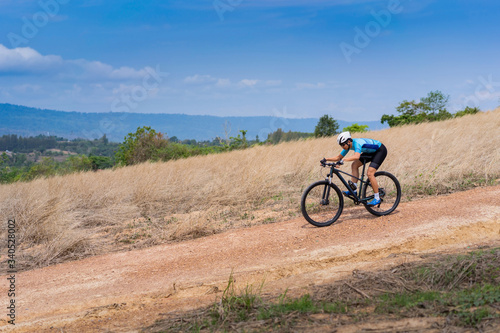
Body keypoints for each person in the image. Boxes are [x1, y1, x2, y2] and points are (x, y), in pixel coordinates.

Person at [321, 131, 387, 206]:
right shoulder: (348, 145)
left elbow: (356, 156)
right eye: (341, 145)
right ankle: (354, 190)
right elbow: (338, 157)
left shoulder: (357, 143)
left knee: (370, 173)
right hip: (370, 152)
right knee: (354, 165)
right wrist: (326, 159)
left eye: (343, 145)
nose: (342, 147)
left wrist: (344, 160)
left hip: (380, 151)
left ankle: (377, 198)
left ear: (349, 141)